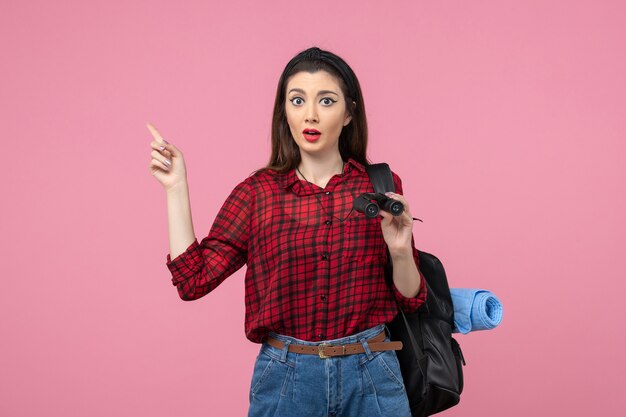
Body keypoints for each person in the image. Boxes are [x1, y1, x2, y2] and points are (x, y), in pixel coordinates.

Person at [147, 46, 427, 417]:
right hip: (287, 378)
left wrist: (400, 249)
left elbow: (411, 298)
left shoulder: (382, 185)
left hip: (372, 371)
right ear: (285, 111)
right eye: (297, 100)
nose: (310, 114)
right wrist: (175, 187)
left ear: (348, 114)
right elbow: (193, 281)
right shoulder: (257, 193)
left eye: (326, 101)